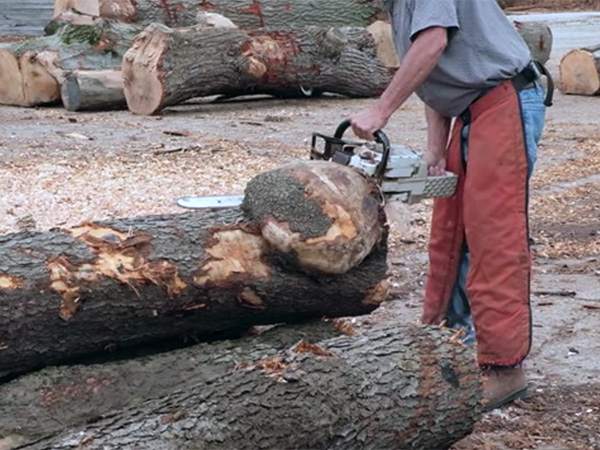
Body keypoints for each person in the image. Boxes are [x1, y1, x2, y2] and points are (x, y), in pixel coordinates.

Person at [349, 0, 553, 411]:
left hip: (504, 99)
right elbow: (435, 76)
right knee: (452, 230)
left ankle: (504, 369)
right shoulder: (398, 7)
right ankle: (451, 343)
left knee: (493, 236)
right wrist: (433, 147)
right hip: (471, 110)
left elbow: (433, 43)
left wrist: (381, 109)